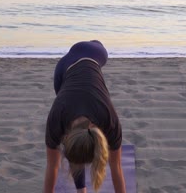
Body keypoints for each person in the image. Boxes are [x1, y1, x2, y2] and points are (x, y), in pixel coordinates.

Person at [43, 40, 126, 193]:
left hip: (90, 57)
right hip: (67, 68)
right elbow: (52, 166)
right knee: (77, 154)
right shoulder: (56, 118)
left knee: (100, 48)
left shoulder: (110, 120)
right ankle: (82, 189)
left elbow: (116, 167)